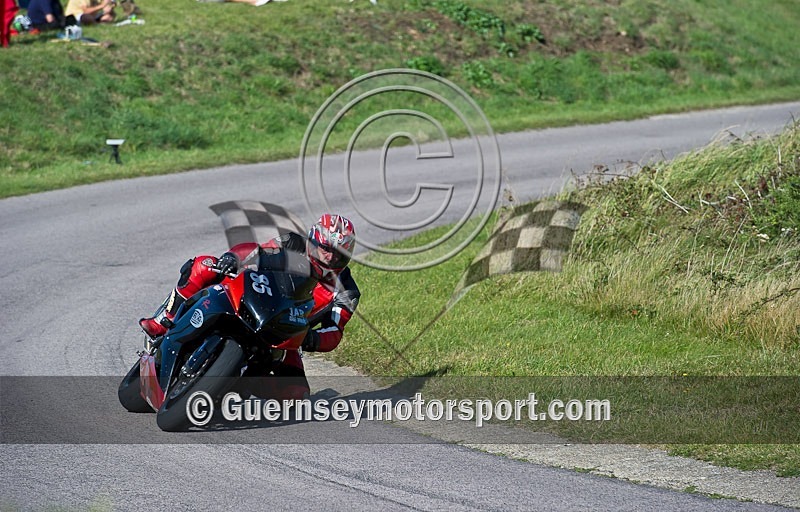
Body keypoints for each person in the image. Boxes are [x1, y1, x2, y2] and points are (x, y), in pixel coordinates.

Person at [139, 214, 360, 400]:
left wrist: (310, 338)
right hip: (248, 297)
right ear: (314, 241)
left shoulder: (347, 292)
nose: (331, 257)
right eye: (325, 249)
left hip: (283, 335)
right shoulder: (292, 243)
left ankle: (233, 385)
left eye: (339, 254)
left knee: (296, 394)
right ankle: (163, 321)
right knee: (203, 265)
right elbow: (257, 252)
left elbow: (335, 331)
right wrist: (232, 258)